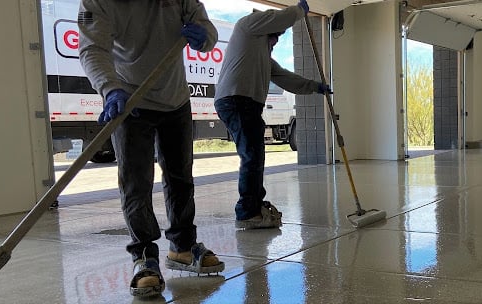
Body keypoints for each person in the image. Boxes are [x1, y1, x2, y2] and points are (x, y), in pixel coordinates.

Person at [77, 0, 224, 297]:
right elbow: (92, 49)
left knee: (180, 177)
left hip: (176, 98)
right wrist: (109, 88)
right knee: (136, 182)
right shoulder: (99, 2)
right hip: (131, 98)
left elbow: (206, 29)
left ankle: (183, 247)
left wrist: (205, 36)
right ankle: (144, 256)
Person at [214, 0, 330, 230]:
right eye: (275, 36)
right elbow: (282, 18)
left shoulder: (261, 55)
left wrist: (314, 87)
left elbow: (285, 77)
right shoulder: (247, 25)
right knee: (252, 155)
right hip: (237, 100)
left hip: (244, 103)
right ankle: (247, 211)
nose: (276, 42)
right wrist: (299, 11)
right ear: (266, 27)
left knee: (255, 154)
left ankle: (254, 205)